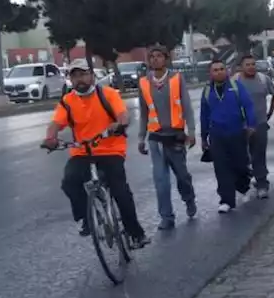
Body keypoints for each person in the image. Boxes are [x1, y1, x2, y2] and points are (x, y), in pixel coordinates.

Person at [42, 64, 148, 247]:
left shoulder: (108, 94)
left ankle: (136, 233)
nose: (79, 80)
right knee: (69, 181)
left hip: (110, 149)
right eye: (74, 76)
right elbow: (55, 123)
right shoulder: (67, 101)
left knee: (120, 192)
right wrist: (50, 138)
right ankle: (87, 217)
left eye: (83, 75)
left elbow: (123, 115)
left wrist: (118, 124)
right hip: (82, 151)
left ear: (92, 75)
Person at [137, 45, 198, 230]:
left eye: (159, 56)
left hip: (175, 137)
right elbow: (143, 112)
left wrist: (192, 131)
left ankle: (189, 199)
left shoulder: (176, 79)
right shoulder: (144, 82)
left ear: (166, 59)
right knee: (161, 181)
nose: (155, 59)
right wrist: (141, 137)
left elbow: (186, 106)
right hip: (155, 138)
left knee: (182, 177)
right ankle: (167, 217)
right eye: (152, 57)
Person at [199, 59, 257, 213]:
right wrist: (203, 137)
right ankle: (226, 200)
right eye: (215, 70)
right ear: (210, 73)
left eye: (221, 69)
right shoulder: (206, 92)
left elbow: (248, 105)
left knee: (239, 164)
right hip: (217, 135)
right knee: (221, 168)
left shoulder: (236, 87)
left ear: (227, 71)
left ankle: (244, 185)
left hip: (236, 132)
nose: (219, 72)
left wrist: (251, 124)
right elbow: (204, 115)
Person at [235, 54, 274, 199]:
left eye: (253, 64)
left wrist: (269, 113)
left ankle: (262, 184)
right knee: (241, 157)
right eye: (247, 65)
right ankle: (244, 181)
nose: (251, 67)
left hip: (260, 124)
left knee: (259, 155)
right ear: (241, 67)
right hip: (240, 126)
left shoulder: (263, 79)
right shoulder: (235, 81)